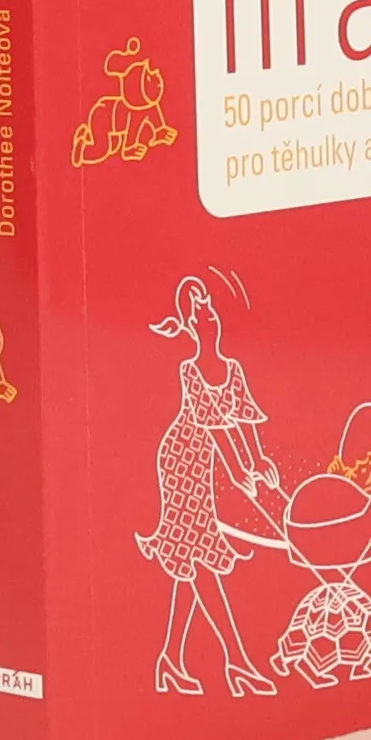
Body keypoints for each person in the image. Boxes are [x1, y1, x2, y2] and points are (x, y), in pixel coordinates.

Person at [137, 276, 282, 698]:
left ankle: (170, 659)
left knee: (189, 558)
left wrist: (260, 462)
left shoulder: (232, 368)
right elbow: (213, 426)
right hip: (182, 460)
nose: (211, 320)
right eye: (202, 317)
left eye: (212, 313)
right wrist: (238, 472)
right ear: (190, 327)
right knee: (199, 559)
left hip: (207, 462)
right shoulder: (191, 371)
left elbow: (244, 418)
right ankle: (236, 660)